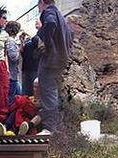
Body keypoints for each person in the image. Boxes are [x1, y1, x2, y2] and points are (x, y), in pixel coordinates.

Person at [33, 0, 73, 133]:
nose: (38, 7)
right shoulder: (61, 16)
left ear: (43, 2)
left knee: (47, 92)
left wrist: (45, 41)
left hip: (51, 59)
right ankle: (56, 127)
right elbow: (71, 34)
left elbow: (50, 24)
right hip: (61, 59)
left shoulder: (48, 12)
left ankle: (49, 128)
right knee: (54, 93)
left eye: (38, 4)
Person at [5, 21, 22, 103]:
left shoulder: (6, 40)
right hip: (11, 74)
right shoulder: (11, 41)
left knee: (18, 93)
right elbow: (13, 57)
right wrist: (18, 50)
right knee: (11, 99)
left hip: (11, 75)